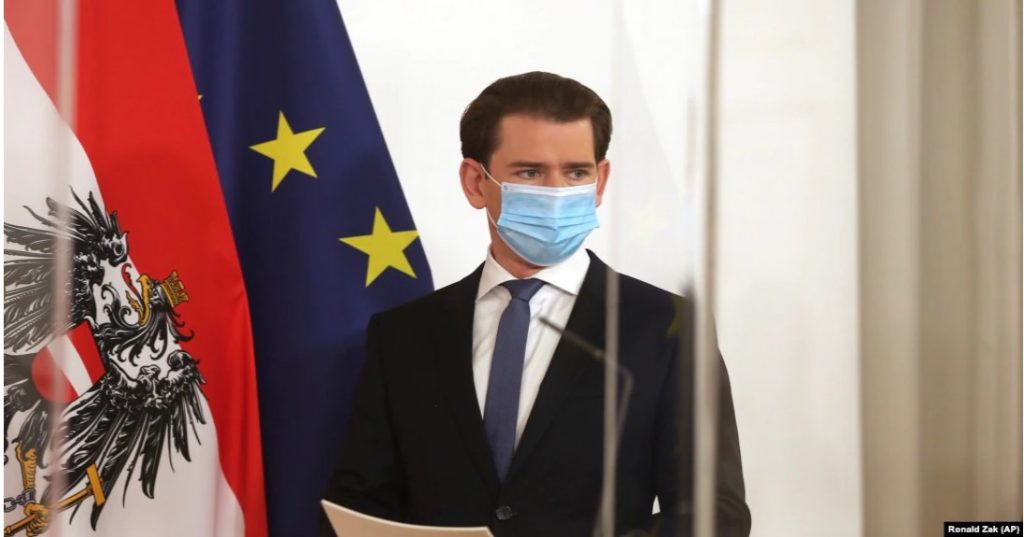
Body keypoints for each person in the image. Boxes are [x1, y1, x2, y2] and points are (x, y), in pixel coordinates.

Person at [322, 71, 751, 536]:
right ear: (475, 182)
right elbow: (358, 502)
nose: (556, 192)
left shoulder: (666, 328)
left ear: (600, 181)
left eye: (576, 173)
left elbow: (713, 513)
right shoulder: (404, 335)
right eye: (530, 173)